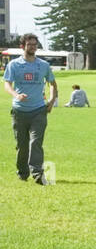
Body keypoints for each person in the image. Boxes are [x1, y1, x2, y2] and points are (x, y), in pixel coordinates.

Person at [4, 33, 58, 185]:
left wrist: (52, 100)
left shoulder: (43, 65)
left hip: (39, 110)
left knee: (36, 142)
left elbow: (52, 84)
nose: (33, 47)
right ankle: (22, 172)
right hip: (19, 112)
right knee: (22, 145)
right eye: (30, 45)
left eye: (35, 44)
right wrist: (16, 94)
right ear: (23, 46)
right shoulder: (14, 65)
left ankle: (37, 174)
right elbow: (7, 84)